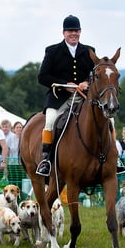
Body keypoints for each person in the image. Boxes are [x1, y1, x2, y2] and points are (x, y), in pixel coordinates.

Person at [36, 15, 95, 176]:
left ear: (80, 32)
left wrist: (86, 83)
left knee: (107, 118)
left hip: (84, 97)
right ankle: (46, 159)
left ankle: (113, 158)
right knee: (50, 121)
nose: (73, 34)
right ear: (64, 33)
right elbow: (43, 77)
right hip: (60, 97)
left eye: (76, 31)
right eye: (70, 31)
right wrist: (64, 84)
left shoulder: (89, 51)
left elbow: (95, 74)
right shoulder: (53, 51)